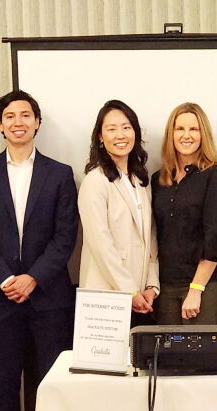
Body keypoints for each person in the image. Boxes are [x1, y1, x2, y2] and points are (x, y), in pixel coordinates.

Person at [0, 90, 78, 411]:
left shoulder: (59, 173)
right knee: (4, 385)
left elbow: (65, 236)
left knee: (47, 384)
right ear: (0, 125)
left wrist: (33, 278)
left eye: (26, 115)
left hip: (49, 298)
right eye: (10, 116)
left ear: (37, 122)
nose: (18, 122)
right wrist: (6, 279)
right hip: (0, 298)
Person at [78, 100, 159, 325]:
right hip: (108, 296)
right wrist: (130, 291)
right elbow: (101, 244)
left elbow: (150, 238)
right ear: (100, 138)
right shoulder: (95, 181)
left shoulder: (140, 180)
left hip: (142, 296)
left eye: (126, 127)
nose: (120, 135)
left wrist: (152, 286)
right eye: (111, 129)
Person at [151, 102, 217, 325]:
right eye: (180, 129)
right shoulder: (158, 179)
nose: (186, 136)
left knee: (203, 358)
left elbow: (216, 237)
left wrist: (196, 289)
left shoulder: (216, 176)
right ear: (171, 134)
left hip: (205, 286)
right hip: (166, 287)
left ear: (203, 134)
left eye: (194, 129)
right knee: (169, 359)